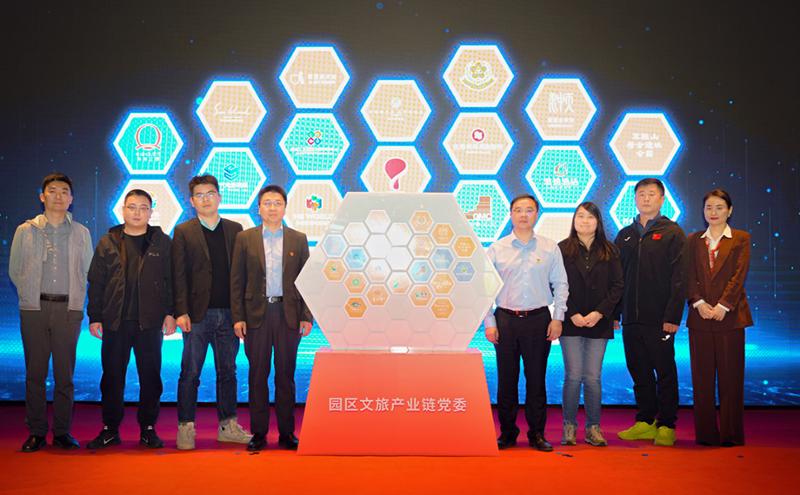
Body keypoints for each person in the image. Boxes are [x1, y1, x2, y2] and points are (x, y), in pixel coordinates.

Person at [86, 189, 176, 449]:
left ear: (151, 212)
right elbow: (97, 282)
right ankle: (110, 429)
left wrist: (170, 313)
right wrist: (95, 316)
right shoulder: (108, 241)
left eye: (143, 208)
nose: (137, 212)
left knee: (151, 378)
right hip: (115, 322)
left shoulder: (162, 242)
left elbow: (172, 281)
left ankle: (148, 428)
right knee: (112, 377)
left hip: (150, 323)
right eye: (132, 207)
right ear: (123, 210)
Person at [9, 173, 93, 452]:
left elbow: (87, 271)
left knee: (65, 375)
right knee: (35, 373)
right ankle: (36, 431)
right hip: (34, 309)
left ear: (71, 199)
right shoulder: (25, 230)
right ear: (42, 196)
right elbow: (15, 270)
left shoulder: (81, 233)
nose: (59, 196)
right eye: (53, 190)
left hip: (68, 310)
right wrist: (29, 294)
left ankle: (61, 432)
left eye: (64, 191)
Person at [230, 185, 313, 451]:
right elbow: (237, 281)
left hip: (288, 315)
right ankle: (259, 433)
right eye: (267, 203)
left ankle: (287, 433)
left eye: (278, 203)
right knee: (258, 374)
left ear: (285, 208)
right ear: (259, 208)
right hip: (257, 315)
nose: (273, 207)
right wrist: (238, 317)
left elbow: (306, 281)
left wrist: (306, 315)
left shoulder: (298, 239)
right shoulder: (245, 238)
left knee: (285, 375)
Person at [484, 194, 568, 452]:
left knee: (536, 379)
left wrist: (558, 318)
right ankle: (507, 433)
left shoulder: (549, 247)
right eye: (518, 210)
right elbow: (485, 288)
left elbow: (561, 284)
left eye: (529, 210)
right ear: (510, 214)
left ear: (536, 214)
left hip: (538, 320)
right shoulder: (496, 249)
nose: (523, 215)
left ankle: (537, 434)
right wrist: (489, 322)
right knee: (506, 380)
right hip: (505, 321)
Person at [173, 175, 250, 450]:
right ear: (192, 201)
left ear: (219, 197)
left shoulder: (235, 229)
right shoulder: (183, 231)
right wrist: (181, 311)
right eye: (200, 195)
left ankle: (228, 426)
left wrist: (241, 314)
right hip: (197, 315)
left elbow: (241, 276)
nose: (206, 199)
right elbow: (178, 274)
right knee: (190, 372)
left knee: (228, 371)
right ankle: (186, 427)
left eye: (210, 193)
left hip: (229, 315)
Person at [614, 178, 687, 447]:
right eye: (641, 194)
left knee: (664, 371)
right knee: (639, 370)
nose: (646, 198)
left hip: (660, 320)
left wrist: (672, 317)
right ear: (635, 199)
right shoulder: (625, 235)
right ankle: (645, 421)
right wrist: (615, 314)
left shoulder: (672, 232)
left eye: (651, 194)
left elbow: (680, 278)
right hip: (631, 319)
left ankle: (667, 424)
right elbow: (617, 278)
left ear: (662, 199)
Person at [686, 189, 752, 446]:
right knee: (701, 380)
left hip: (730, 318)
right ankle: (705, 434)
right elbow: (688, 275)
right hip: (700, 317)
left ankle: (731, 434)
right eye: (709, 208)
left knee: (731, 378)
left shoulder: (741, 238)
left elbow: (739, 275)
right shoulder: (693, 240)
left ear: (729, 210)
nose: (713, 212)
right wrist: (699, 302)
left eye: (719, 207)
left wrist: (724, 305)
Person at [558, 202, 624, 447]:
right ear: (574, 220)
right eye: (580, 216)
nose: (585, 221)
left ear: (598, 221)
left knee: (593, 377)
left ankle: (593, 428)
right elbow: (556, 284)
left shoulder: (610, 250)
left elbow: (618, 286)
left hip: (599, 321)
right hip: (571, 321)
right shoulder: (562, 249)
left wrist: (600, 313)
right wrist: (572, 313)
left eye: (590, 217)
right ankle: (569, 426)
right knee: (573, 376)